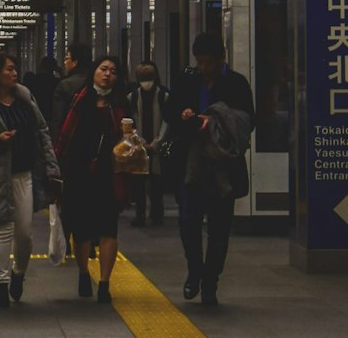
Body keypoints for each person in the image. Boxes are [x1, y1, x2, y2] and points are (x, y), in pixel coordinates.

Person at [164, 32, 255, 307]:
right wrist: (184, 116)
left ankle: (211, 280)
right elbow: (169, 112)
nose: (204, 68)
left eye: (209, 62)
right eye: (200, 62)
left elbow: (246, 121)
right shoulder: (187, 79)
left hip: (222, 166)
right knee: (188, 221)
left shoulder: (236, 83)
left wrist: (215, 121)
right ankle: (195, 269)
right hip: (190, 163)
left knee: (219, 227)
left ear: (222, 59)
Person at [0, 52, 61, 309]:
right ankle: (0, 285)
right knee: (2, 231)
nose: (14, 73)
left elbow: (42, 132)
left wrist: (52, 167)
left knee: (25, 234)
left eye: (14, 69)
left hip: (25, 175)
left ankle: (18, 273)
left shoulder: (25, 99)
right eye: (8, 69)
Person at [54, 55, 128, 304]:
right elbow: (64, 135)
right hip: (79, 173)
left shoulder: (120, 104)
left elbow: (130, 136)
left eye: (113, 71)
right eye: (103, 69)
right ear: (94, 72)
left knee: (109, 227)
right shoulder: (79, 100)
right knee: (82, 229)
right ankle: (84, 272)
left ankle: (105, 283)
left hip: (109, 174)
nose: (107, 74)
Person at [125, 60, 170, 228]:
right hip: (139, 146)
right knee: (139, 181)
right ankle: (141, 214)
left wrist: (157, 143)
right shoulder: (132, 97)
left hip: (158, 145)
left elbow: (168, 121)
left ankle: (156, 213)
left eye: (149, 77)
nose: (146, 81)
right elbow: (130, 124)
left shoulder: (163, 96)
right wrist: (141, 142)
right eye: (143, 77)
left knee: (157, 181)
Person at [50, 41, 92, 135]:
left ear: (75, 63)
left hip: (71, 136)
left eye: (67, 59)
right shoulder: (96, 82)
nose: (64, 63)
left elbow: (58, 120)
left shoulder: (65, 85)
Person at [28, 55, 60, 121]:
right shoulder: (57, 82)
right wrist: (61, 72)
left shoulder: (34, 80)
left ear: (42, 66)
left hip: (37, 112)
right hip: (52, 113)